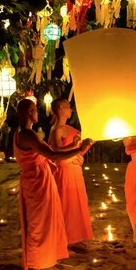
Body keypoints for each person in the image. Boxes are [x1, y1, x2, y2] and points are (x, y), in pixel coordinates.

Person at [14, 98, 93, 270]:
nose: (37, 113)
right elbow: (52, 153)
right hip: (36, 182)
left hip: (42, 179)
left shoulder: (27, 133)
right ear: (27, 112)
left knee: (51, 221)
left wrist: (77, 149)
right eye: (34, 110)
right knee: (39, 225)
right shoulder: (27, 134)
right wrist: (78, 148)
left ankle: (48, 260)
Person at [47, 97, 95, 252]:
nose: (70, 110)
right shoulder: (57, 129)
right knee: (66, 204)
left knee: (76, 203)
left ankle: (74, 237)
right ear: (60, 109)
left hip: (74, 169)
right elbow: (56, 151)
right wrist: (75, 146)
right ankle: (65, 238)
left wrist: (83, 147)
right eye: (67, 107)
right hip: (64, 171)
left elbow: (77, 149)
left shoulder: (69, 128)